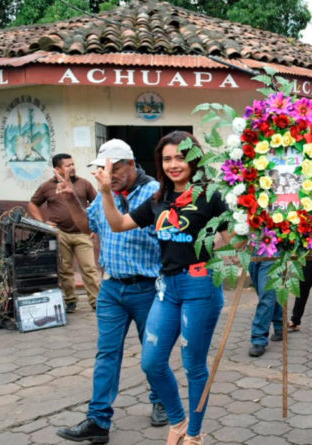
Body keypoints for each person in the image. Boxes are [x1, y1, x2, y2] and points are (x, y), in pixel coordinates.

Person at [96, 131, 230, 445]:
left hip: (201, 285)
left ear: (194, 159)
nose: (173, 164)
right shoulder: (158, 199)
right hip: (166, 287)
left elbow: (232, 243)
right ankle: (179, 421)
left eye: (180, 157)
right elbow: (118, 224)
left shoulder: (211, 196)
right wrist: (104, 192)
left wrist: (244, 227)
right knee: (152, 362)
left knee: (193, 365)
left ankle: (194, 434)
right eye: (167, 158)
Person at [55, 139, 167, 443]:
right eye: (103, 169)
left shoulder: (155, 192)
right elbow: (84, 225)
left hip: (146, 287)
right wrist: (69, 199)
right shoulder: (108, 193)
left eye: (113, 168)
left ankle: (160, 401)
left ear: (130, 164)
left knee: (153, 353)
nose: (107, 174)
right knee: (107, 353)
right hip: (112, 289)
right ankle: (98, 420)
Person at [29, 153, 101, 311]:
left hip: (83, 234)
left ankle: (96, 302)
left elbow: (97, 204)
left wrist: (93, 225)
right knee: (65, 269)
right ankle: (70, 301)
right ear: (57, 169)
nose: (72, 167)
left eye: (73, 164)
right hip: (59, 234)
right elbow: (33, 204)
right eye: (68, 165)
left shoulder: (84, 184)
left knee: (89, 269)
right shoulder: (47, 186)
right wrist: (43, 223)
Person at [248, 257, 284, 357]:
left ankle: (259, 338)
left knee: (266, 294)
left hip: (273, 251)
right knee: (268, 293)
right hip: (254, 251)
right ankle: (280, 324)